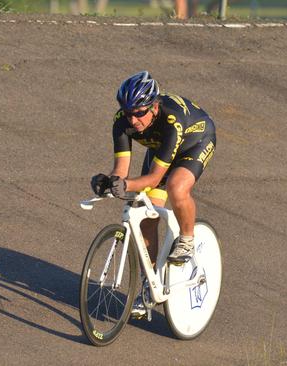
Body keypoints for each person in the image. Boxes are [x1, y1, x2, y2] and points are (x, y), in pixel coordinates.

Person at [90, 71, 216, 317]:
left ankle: (187, 240)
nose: (133, 120)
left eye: (139, 113)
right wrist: (110, 182)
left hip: (195, 140)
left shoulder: (171, 121)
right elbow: (121, 171)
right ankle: (150, 284)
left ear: (154, 107)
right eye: (128, 113)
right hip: (161, 150)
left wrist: (127, 185)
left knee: (176, 187)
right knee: (146, 215)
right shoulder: (122, 122)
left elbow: (154, 179)